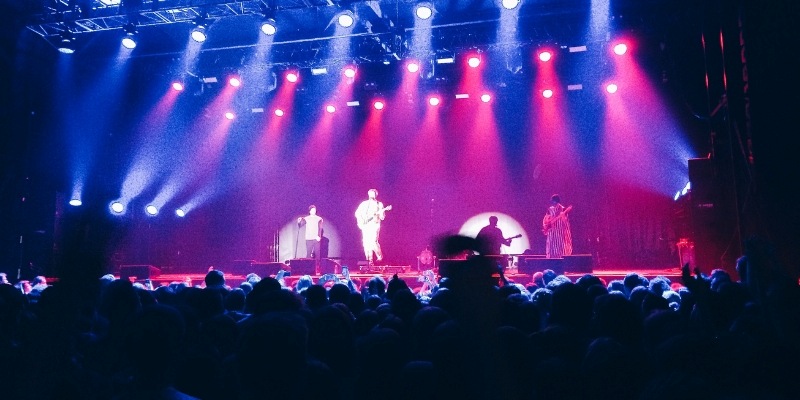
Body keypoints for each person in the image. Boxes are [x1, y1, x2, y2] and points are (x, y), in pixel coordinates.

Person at [355, 189, 391, 265]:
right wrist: (361, 220)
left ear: (376, 195)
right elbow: (357, 213)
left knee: (373, 241)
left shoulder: (379, 204)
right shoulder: (364, 204)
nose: (372, 195)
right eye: (370, 194)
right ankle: (369, 261)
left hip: (375, 224)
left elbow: (382, 217)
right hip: (366, 225)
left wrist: (382, 212)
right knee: (366, 243)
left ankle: (380, 257)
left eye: (373, 194)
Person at [542, 194, 573, 258]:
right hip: (551, 231)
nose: (552, 203)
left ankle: (560, 261)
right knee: (551, 247)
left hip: (559, 231)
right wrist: (547, 224)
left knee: (559, 246)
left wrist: (563, 216)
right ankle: (551, 260)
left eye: (553, 201)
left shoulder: (563, 209)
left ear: (557, 201)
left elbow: (565, 222)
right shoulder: (550, 209)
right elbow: (546, 218)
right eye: (552, 201)